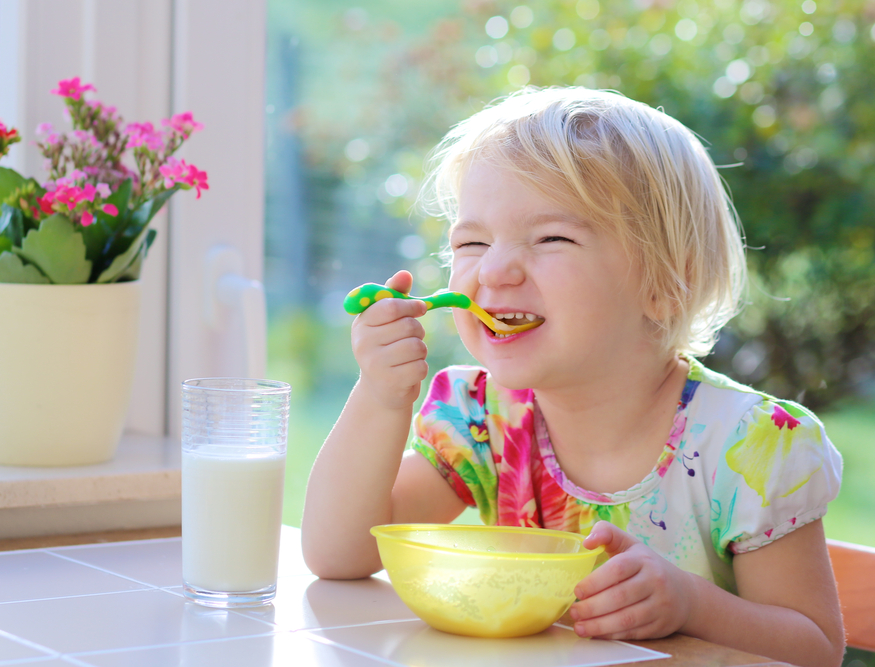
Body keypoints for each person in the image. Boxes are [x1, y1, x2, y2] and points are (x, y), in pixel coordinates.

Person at [302, 87, 845, 667]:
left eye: (551, 238)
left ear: (666, 285)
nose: (494, 269)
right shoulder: (483, 420)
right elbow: (340, 554)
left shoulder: (749, 447)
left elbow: (815, 650)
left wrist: (691, 605)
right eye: (472, 241)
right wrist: (381, 398)